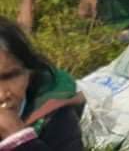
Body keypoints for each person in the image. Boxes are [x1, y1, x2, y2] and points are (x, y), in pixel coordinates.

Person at [0, 17, 84, 150]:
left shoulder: (55, 119)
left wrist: (20, 140)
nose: (2, 95)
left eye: (10, 76)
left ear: (30, 72)